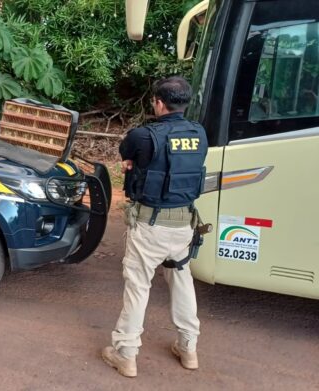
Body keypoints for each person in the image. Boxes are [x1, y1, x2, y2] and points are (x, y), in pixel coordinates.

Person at [102, 76, 208, 378]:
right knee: (181, 281)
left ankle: (126, 354)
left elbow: (127, 156)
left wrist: (133, 165)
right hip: (185, 225)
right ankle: (188, 347)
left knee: (138, 287)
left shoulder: (143, 135)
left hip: (151, 225)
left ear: (158, 103)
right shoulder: (200, 134)